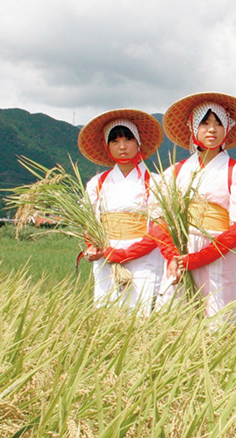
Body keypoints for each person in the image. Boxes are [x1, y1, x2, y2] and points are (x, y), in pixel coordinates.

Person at [155, 92, 236, 323]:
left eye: (218, 123)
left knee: (217, 317)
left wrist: (199, 257)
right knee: (174, 319)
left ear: (226, 130)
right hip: (179, 253)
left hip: (217, 252)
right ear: (193, 128)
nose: (211, 129)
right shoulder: (174, 172)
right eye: (205, 123)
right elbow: (159, 222)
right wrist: (174, 256)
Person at [78, 109, 164, 315]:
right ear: (107, 147)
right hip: (107, 258)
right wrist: (94, 247)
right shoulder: (97, 184)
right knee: (107, 313)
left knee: (141, 313)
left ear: (138, 143)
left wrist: (127, 253)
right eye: (115, 141)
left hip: (144, 258)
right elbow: (89, 222)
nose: (122, 146)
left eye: (128, 139)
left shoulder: (156, 182)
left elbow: (160, 228)